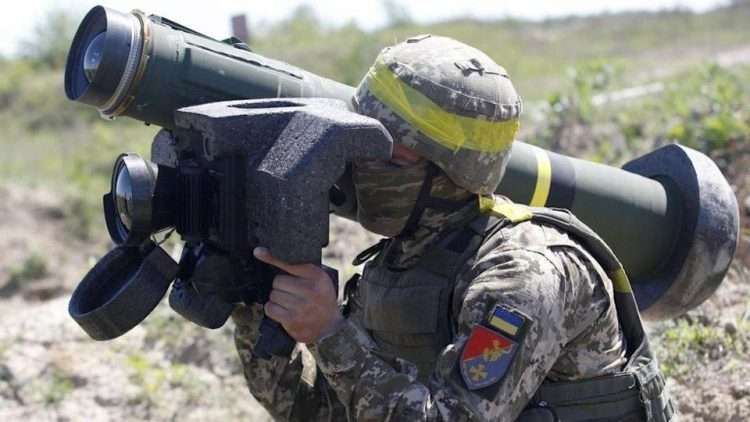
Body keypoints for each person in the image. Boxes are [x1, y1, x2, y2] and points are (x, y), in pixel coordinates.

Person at [232, 35, 674, 421]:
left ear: (449, 173)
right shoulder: (402, 259)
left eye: (384, 155)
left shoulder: (522, 274)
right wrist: (254, 304)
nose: (355, 168)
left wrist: (330, 334)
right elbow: (323, 413)